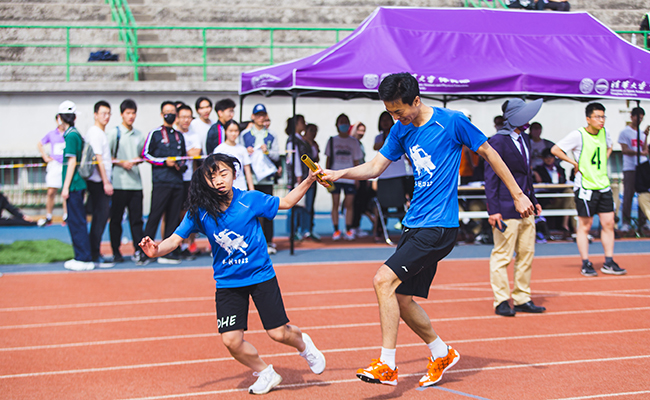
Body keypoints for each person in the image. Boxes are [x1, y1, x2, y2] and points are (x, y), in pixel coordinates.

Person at [320, 73, 535, 387]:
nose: (396, 118)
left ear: (416, 100)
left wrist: (517, 194)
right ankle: (441, 352)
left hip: (438, 226)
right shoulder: (400, 129)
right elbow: (375, 167)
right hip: (414, 224)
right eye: (390, 112)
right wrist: (338, 173)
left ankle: (387, 364)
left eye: (399, 111)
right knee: (402, 299)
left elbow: (490, 153)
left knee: (382, 280)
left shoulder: (452, 122)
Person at [139, 153, 326, 395]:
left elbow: (287, 202)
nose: (218, 180)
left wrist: (309, 179)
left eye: (223, 173)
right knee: (231, 341)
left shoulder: (250, 199)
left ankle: (304, 345)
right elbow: (175, 239)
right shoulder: (200, 211)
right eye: (212, 176)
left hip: (260, 276)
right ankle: (265, 372)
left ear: (234, 175)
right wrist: (156, 250)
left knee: (278, 333)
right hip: (228, 283)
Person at [485, 98, 546, 317]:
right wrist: (493, 210)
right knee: (502, 255)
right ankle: (501, 300)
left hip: (527, 207)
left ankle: (522, 298)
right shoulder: (497, 141)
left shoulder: (525, 139)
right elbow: (490, 178)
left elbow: (526, 174)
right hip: (505, 207)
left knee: (526, 253)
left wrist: (534, 199)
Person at [551, 103, 627, 276]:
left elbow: (609, 146)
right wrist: (574, 163)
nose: (601, 120)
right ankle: (586, 262)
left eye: (603, 116)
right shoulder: (578, 135)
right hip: (585, 187)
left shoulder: (605, 132)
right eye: (597, 117)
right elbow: (555, 149)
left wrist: (603, 159)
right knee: (585, 225)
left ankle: (609, 261)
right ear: (588, 119)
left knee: (608, 223)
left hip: (603, 185)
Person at [142, 101, 187, 264]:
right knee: (155, 215)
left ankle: (169, 252)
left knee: (173, 218)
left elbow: (184, 157)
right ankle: (144, 251)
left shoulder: (179, 135)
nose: (170, 115)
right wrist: (164, 162)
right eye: (167, 112)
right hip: (161, 182)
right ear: (162, 114)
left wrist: (180, 165)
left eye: (173, 112)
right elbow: (145, 155)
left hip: (177, 182)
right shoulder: (155, 133)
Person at [108, 99, 147, 264]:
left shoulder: (139, 135)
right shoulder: (114, 133)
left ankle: (139, 250)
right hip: (119, 184)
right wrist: (122, 163)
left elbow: (144, 155)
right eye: (128, 113)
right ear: (121, 114)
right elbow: (107, 157)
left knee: (136, 220)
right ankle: (116, 252)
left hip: (136, 184)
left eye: (133, 113)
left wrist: (137, 160)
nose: (131, 116)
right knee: (116, 219)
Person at [59, 100, 95, 271]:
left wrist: (65, 187)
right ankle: (82, 255)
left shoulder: (71, 136)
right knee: (76, 220)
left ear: (60, 118)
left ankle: (83, 257)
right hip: (76, 184)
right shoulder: (73, 134)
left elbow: (72, 161)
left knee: (76, 221)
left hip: (74, 184)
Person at [241, 103, 280, 254]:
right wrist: (247, 152)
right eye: (258, 115)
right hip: (251, 179)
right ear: (253, 116)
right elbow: (239, 153)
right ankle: (252, 242)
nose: (260, 118)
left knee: (267, 209)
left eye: (263, 115)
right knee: (250, 212)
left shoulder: (271, 135)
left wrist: (267, 151)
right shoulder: (245, 135)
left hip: (266, 178)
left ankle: (269, 241)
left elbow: (277, 155)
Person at [85, 100, 115, 267]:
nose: (106, 116)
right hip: (98, 182)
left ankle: (94, 252)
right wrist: (106, 182)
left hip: (99, 181)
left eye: (109, 113)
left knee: (101, 217)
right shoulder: (95, 133)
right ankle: (94, 253)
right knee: (100, 217)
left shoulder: (100, 132)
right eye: (103, 113)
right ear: (95, 115)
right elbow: (98, 159)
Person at [324, 113, 363, 241]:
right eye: (341, 122)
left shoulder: (354, 142)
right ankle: (336, 230)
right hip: (334, 177)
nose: (343, 125)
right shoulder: (332, 140)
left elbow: (356, 161)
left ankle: (348, 229)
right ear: (337, 125)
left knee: (349, 204)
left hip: (350, 177)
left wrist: (357, 178)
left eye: (346, 122)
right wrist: (325, 176)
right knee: (335, 203)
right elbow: (328, 159)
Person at [175, 104, 203, 259]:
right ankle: (174, 246)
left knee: (189, 213)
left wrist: (181, 152)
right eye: (183, 117)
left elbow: (196, 152)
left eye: (189, 117)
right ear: (177, 118)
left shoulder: (194, 135)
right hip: (174, 179)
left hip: (189, 180)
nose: (186, 120)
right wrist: (186, 152)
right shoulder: (173, 134)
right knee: (173, 214)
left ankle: (188, 245)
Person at [618, 107, 648, 233]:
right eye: (637, 117)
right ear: (632, 117)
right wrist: (638, 153)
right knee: (628, 195)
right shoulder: (625, 132)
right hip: (630, 167)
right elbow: (625, 150)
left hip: (642, 166)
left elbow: (644, 150)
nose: (639, 120)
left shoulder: (641, 133)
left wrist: (646, 136)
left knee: (643, 195)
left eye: (641, 118)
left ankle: (643, 222)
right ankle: (626, 222)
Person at [533, 147, 573, 236]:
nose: (548, 159)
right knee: (571, 203)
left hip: (560, 198)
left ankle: (569, 226)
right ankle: (573, 229)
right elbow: (539, 185)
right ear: (542, 158)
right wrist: (535, 174)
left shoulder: (560, 169)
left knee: (570, 193)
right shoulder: (538, 170)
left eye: (550, 157)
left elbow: (563, 183)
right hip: (547, 200)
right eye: (546, 157)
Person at [284, 116, 312, 240]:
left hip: (305, 176)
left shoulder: (302, 140)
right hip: (298, 178)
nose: (304, 124)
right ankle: (292, 231)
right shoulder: (292, 140)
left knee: (304, 206)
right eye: (302, 122)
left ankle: (304, 229)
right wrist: (298, 176)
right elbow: (293, 159)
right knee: (294, 205)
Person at [36, 116, 67, 227]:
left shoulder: (70, 133)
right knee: (51, 192)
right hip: (55, 165)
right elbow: (40, 144)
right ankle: (49, 216)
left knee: (65, 192)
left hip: (66, 165)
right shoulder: (51, 134)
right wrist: (45, 156)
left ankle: (66, 216)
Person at [350, 122, 376, 237]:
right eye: (359, 130)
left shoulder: (360, 144)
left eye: (363, 130)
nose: (361, 133)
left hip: (361, 176)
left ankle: (356, 225)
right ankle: (352, 227)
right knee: (355, 203)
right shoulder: (352, 142)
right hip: (354, 176)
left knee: (360, 202)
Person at [214, 120, 254, 191]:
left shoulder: (242, 149)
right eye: (230, 131)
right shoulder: (219, 149)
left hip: (241, 187)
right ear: (225, 131)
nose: (233, 134)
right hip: (225, 188)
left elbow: (247, 171)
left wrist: (252, 189)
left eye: (236, 131)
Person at [302, 123, 321, 240]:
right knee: (303, 205)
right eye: (311, 130)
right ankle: (302, 229)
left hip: (313, 177)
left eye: (315, 131)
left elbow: (317, 158)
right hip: (304, 177)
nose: (313, 133)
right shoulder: (302, 143)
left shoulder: (314, 144)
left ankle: (309, 228)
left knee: (310, 204)